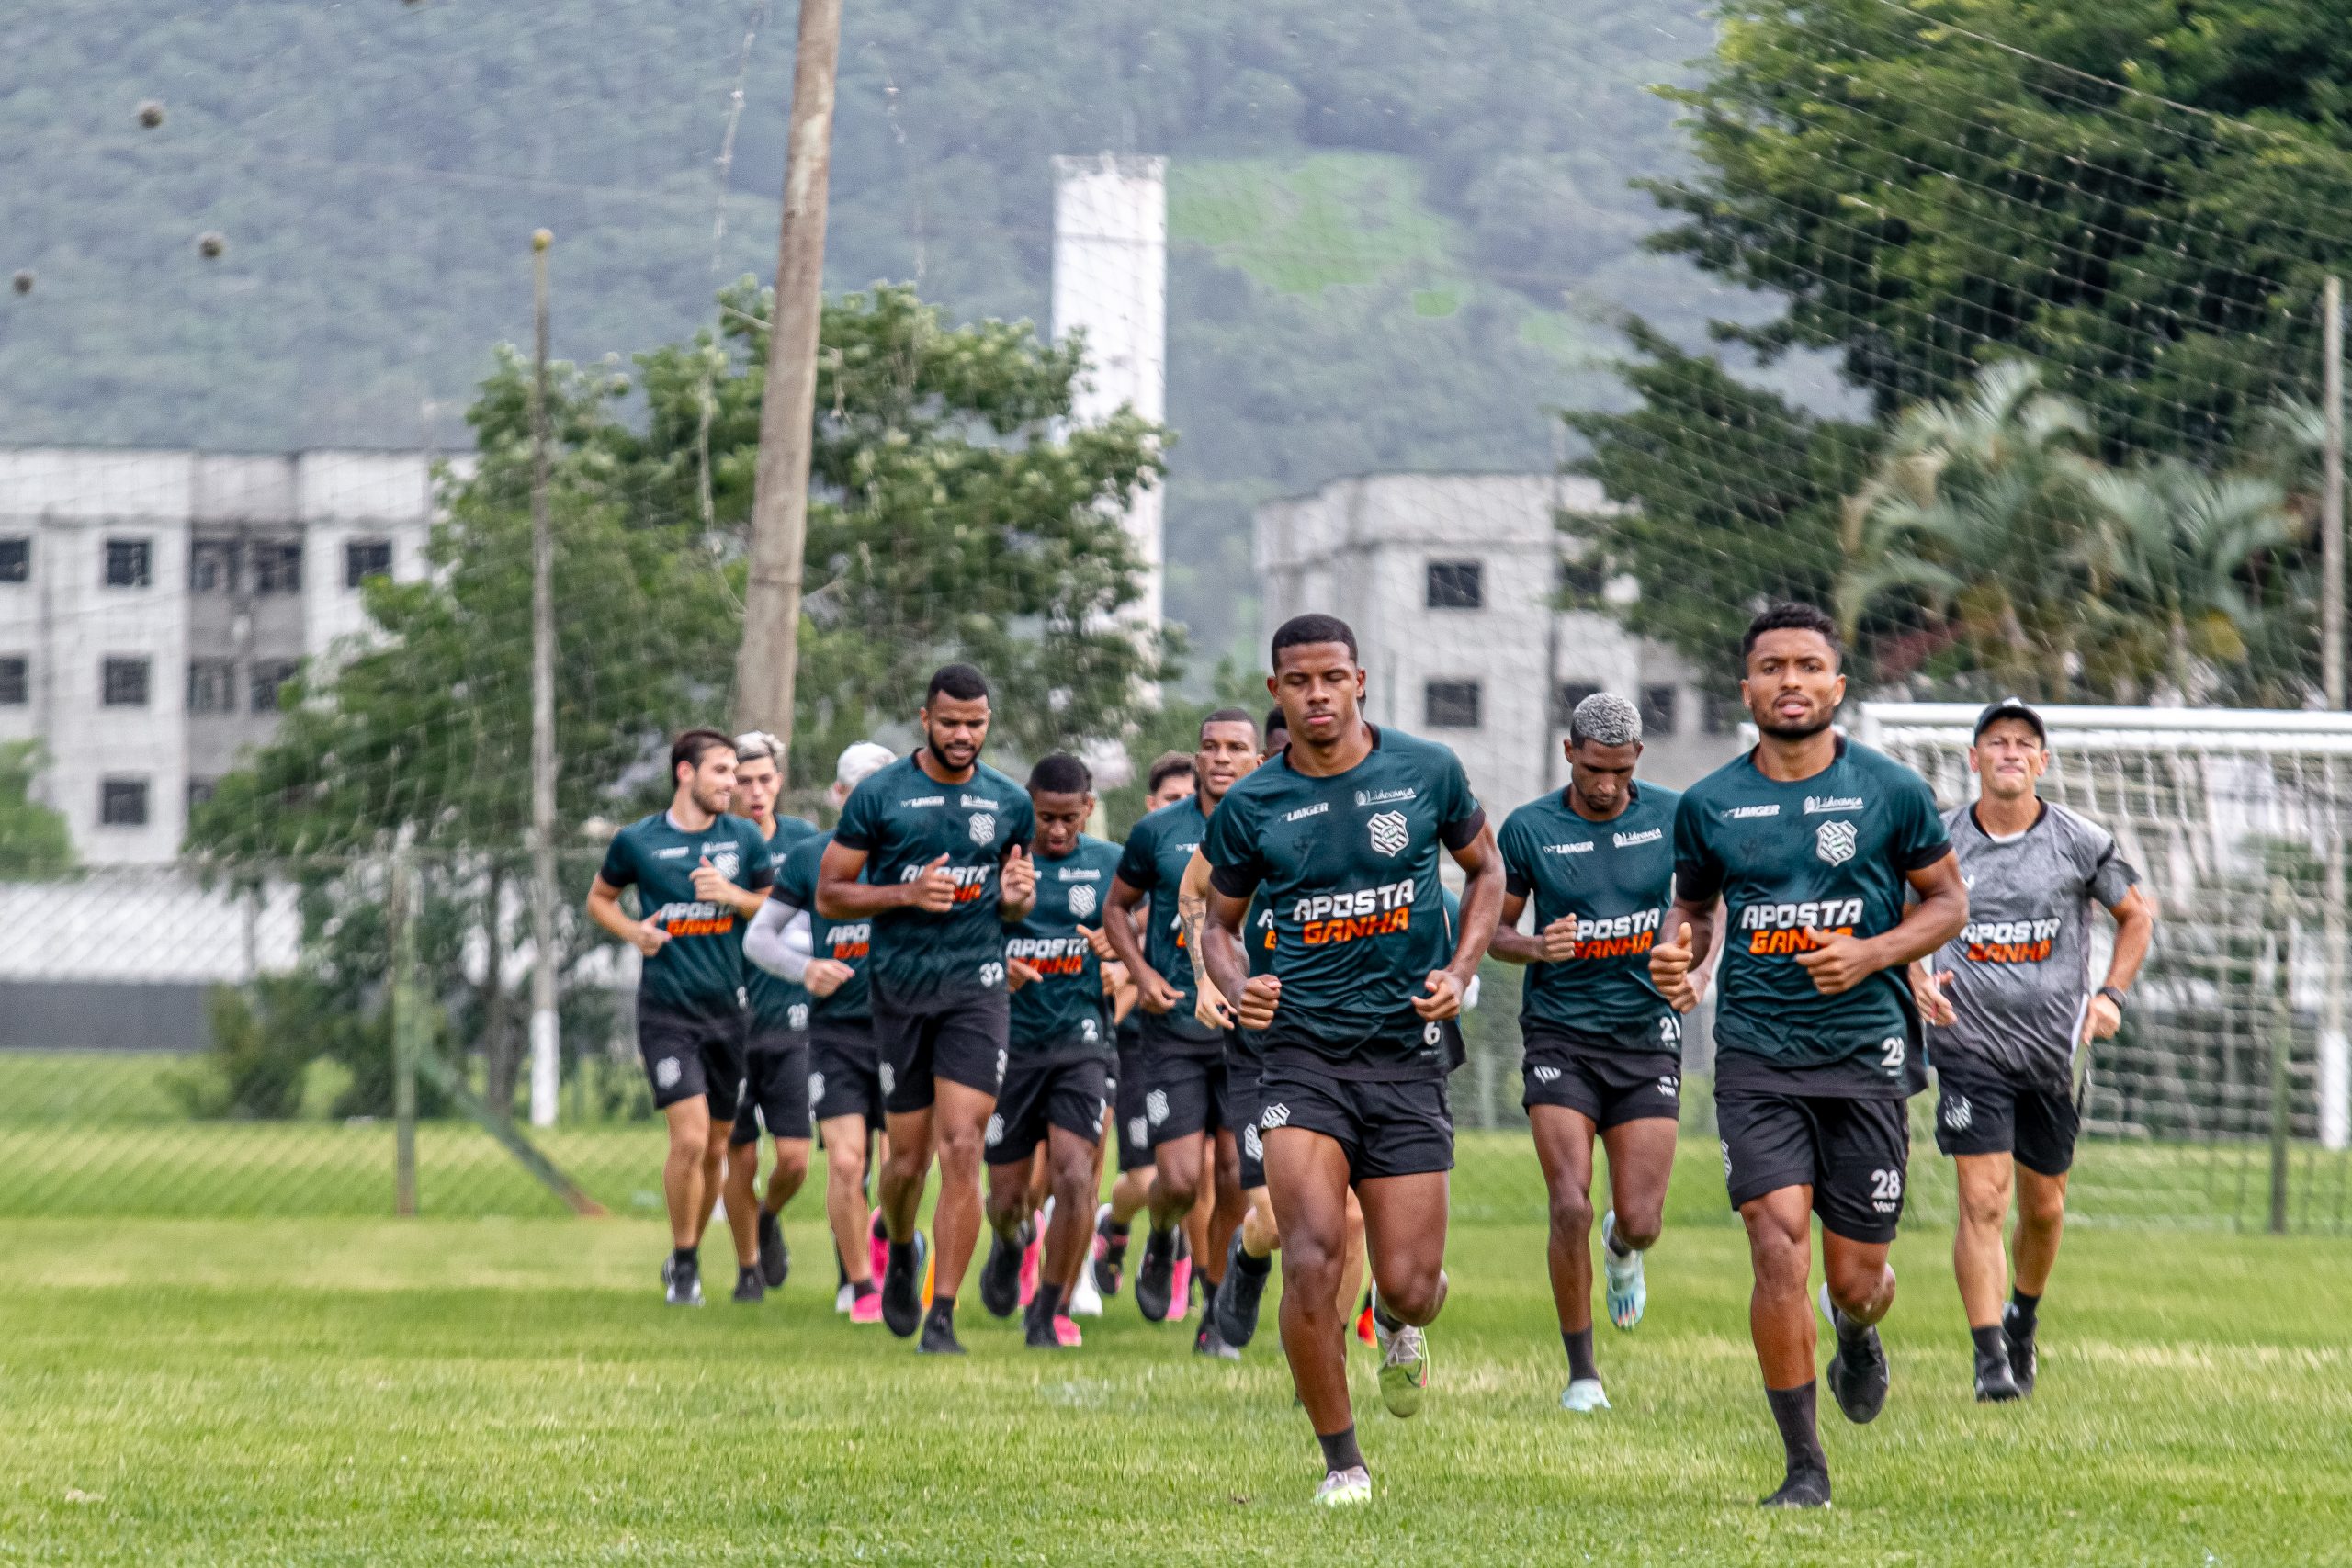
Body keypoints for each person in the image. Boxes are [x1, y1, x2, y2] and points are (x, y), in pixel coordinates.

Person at [1650, 603, 1968, 1507]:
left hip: (1865, 1055)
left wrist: (1871, 953)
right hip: (1755, 1056)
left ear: (1837, 684)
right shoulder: (1709, 804)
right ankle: (1803, 1468)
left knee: (1855, 1281)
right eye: (1770, 667)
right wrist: (1682, 959)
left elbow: (1947, 904)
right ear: (1745, 687)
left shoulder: (1891, 791)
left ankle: (1859, 1333)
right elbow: (1695, 910)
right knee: (1774, 1246)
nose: (1789, 681)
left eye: (1806, 665)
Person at [1199, 614, 1504, 1507]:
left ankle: (1403, 1326)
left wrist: (1459, 968)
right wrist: (1238, 978)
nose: (1317, 695)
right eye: (1299, 683)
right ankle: (1343, 1463)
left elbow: (1483, 872)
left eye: (1332, 678)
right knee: (1311, 1251)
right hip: (1297, 1056)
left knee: (1410, 1281)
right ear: (1276, 695)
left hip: (1405, 1055)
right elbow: (1215, 925)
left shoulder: (1425, 772)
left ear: (1359, 681)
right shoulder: (1254, 804)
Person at [1912, 698, 2154, 1402]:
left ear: (2042, 761)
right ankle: (1990, 1358)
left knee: (2042, 1207)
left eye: (2024, 743)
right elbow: (1900, 915)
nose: (2010, 751)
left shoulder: (2080, 839)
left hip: (2053, 1053)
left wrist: (2111, 995)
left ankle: (2022, 1317)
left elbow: (2135, 914)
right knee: (1981, 1200)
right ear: (1974, 758)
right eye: (1996, 741)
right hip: (1968, 1044)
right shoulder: (1942, 838)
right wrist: (1917, 976)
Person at [817, 665, 1036, 1354]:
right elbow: (830, 892)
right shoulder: (880, 796)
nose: (963, 735)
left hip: (977, 988)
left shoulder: (1008, 801)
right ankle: (903, 1243)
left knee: (963, 1145)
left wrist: (1017, 896)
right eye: (950, 723)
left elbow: (1013, 903)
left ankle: (943, 1313)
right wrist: (904, 895)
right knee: (906, 1164)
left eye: (975, 723)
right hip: (900, 993)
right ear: (925, 719)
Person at [1490, 692, 1683, 1413]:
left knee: (1641, 1217)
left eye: (1621, 770)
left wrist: (1684, 957)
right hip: (1561, 1035)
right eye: (1594, 768)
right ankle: (1582, 1373)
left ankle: (1623, 1249)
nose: (1607, 784)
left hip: (1645, 1034)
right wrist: (1538, 945)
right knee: (1569, 1201)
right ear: (1568, 751)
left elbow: (1703, 904)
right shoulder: (1530, 828)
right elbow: (1491, 929)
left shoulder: (1670, 815)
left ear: (1638, 761)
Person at [1194, 706, 1368, 1354]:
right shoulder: (1248, 824)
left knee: (1348, 1217)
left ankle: (1326, 1362)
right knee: (1275, 1215)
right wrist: (1213, 978)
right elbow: (1197, 900)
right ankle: (1246, 1250)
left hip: (1352, 1049)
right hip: (1264, 1053)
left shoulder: (1359, 826)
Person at [586, 729, 776, 1307]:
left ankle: (706, 1257)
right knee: (690, 1139)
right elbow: (600, 898)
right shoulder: (638, 841)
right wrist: (633, 932)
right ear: (685, 774)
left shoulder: (743, 838)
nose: (733, 784)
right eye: (722, 771)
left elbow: (775, 907)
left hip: (731, 1013)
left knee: (720, 1145)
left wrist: (732, 896)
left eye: (737, 773)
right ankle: (686, 1261)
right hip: (667, 1013)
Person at [1104, 714, 1261, 1356]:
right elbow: (1116, 907)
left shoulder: (1273, 822)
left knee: (1231, 1173)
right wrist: (1141, 973)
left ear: (1257, 758)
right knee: (1175, 1180)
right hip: (1171, 1028)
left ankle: (1214, 1308)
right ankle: (1163, 1237)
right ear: (1197, 757)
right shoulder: (1158, 831)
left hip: (1246, 1032)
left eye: (1235, 749)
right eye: (1211, 747)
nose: (1221, 758)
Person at [743, 740, 897, 1324]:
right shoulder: (812, 858)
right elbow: (760, 938)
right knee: (845, 1162)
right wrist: (806, 968)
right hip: (836, 1034)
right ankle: (860, 1287)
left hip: (905, 1028)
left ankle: (895, 1253)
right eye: (857, 792)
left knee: (899, 1170)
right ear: (839, 796)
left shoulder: (913, 857)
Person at [980, 754, 1125, 1348]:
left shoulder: (1114, 867)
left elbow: (1145, 939)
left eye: (1069, 817)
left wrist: (1120, 960)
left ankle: (1049, 1305)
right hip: (1010, 1047)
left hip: (1083, 1046)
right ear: (1027, 809)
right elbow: (966, 939)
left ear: (1088, 807)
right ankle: (1010, 1241)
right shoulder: (1004, 866)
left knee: (1073, 1175)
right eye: (1045, 818)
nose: (1058, 830)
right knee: (1009, 1196)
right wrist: (998, 966)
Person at [719, 731, 820, 1304]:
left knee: (794, 1159)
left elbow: (811, 909)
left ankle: (766, 1215)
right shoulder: (711, 845)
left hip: (793, 1019)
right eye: (743, 781)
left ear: (779, 782)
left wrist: (736, 899)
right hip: (727, 1024)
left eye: (765, 780)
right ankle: (747, 1269)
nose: (755, 792)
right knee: (740, 1153)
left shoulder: (805, 844)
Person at [1094, 752, 1195, 1300]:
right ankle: (1115, 1223)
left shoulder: (1209, 881)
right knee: (1144, 1179)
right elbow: (1116, 951)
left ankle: (1190, 1274)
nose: (1184, 812)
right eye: (1172, 801)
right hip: (1134, 1045)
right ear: (1152, 807)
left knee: (1199, 1174)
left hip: (1198, 1039)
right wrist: (1124, 981)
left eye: (1191, 800)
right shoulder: (1128, 879)